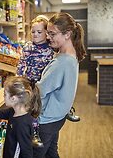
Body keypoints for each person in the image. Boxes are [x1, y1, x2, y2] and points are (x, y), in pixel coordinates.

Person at [34, 12, 86, 158]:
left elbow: (40, 91)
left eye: (52, 33)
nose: (47, 37)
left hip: (46, 121)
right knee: (51, 153)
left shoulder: (61, 63)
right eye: (47, 33)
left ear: (67, 34)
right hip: (57, 117)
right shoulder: (72, 55)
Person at [16, 15, 54, 147]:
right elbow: (21, 65)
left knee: (42, 109)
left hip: (45, 85)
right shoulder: (28, 47)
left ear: (46, 33)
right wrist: (19, 81)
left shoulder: (51, 48)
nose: (35, 35)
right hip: (30, 84)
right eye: (33, 32)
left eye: (39, 32)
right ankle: (34, 134)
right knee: (32, 109)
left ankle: (40, 131)